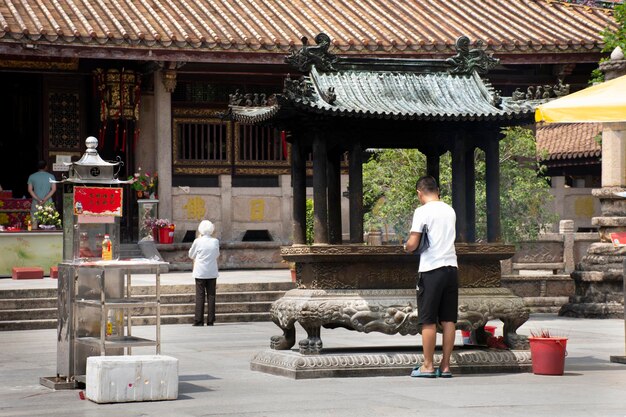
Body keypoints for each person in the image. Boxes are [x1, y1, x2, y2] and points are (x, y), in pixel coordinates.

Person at [403, 175, 458, 378]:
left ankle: (427, 365)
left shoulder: (422, 211)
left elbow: (413, 243)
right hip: (452, 268)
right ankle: (445, 366)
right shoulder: (449, 210)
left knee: (428, 320)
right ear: (437, 190)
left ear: (420, 192)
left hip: (431, 270)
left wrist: (405, 247)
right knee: (448, 319)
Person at [188, 220, 220, 326]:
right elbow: (217, 254)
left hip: (200, 271)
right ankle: (211, 320)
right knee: (211, 295)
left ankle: (198, 320)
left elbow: (191, 255)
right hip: (211, 271)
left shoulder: (198, 241)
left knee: (200, 295)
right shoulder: (215, 241)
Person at [27, 160, 56, 226]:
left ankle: (34, 234)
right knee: (49, 222)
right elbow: (54, 189)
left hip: (36, 202)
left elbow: (30, 190)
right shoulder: (51, 176)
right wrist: (44, 199)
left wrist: (38, 199)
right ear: (46, 167)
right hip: (48, 202)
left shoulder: (32, 176)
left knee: (34, 221)